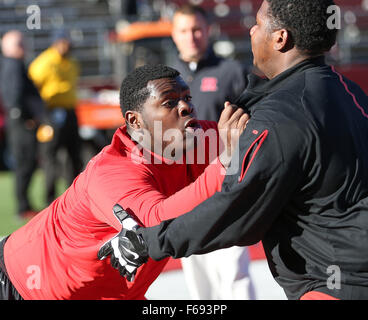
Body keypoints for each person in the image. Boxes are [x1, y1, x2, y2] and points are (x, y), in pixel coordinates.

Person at [104, 0, 368, 300]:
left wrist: (147, 242)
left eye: (258, 22)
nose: (252, 30)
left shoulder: (279, 115)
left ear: (280, 38)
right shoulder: (352, 93)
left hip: (335, 284)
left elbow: (237, 209)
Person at [0, 64, 248, 300]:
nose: (185, 107)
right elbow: (157, 224)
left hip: (108, 290)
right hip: (24, 285)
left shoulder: (193, 139)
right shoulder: (112, 171)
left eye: (187, 98)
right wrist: (226, 162)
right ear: (135, 121)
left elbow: (259, 135)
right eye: (169, 102)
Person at [170, 3, 254, 300]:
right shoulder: (164, 78)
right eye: (184, 30)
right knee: (197, 275)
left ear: (208, 31)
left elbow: (251, 123)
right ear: (173, 35)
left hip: (224, 184)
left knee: (234, 268)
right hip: (182, 191)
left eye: (196, 29)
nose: (191, 36)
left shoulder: (231, 72)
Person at [28, 29, 83, 205]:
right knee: (50, 156)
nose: (68, 46)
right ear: (57, 42)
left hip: (70, 112)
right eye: (65, 42)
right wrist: (38, 114)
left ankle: (73, 197)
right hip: (51, 113)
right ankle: (49, 200)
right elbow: (31, 89)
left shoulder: (72, 62)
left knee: (74, 155)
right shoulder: (44, 62)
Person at [0, 30, 45, 219]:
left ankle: (25, 204)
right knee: (24, 164)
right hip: (21, 124)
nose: (24, 47)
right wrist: (24, 117)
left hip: (21, 121)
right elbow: (13, 95)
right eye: (20, 44)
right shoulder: (12, 65)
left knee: (27, 163)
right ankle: (22, 206)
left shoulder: (14, 65)